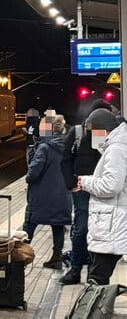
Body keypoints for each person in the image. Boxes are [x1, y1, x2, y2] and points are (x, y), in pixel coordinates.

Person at [60, 99, 116, 284]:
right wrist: (71, 184)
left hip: (103, 188)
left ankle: (94, 271)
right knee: (82, 228)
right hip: (82, 187)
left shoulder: (113, 136)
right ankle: (76, 269)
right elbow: (65, 159)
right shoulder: (78, 132)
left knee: (100, 231)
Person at [75, 108, 127, 285]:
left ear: (101, 129)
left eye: (92, 131)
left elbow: (111, 186)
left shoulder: (116, 150)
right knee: (98, 276)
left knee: (97, 279)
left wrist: (85, 181)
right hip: (111, 221)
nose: (91, 136)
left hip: (112, 223)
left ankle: (92, 313)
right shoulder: (116, 146)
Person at [22, 112, 71, 269]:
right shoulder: (68, 147)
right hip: (62, 195)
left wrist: (28, 177)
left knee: (29, 224)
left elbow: (33, 173)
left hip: (41, 196)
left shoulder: (44, 147)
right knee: (58, 225)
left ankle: (20, 256)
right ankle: (56, 258)